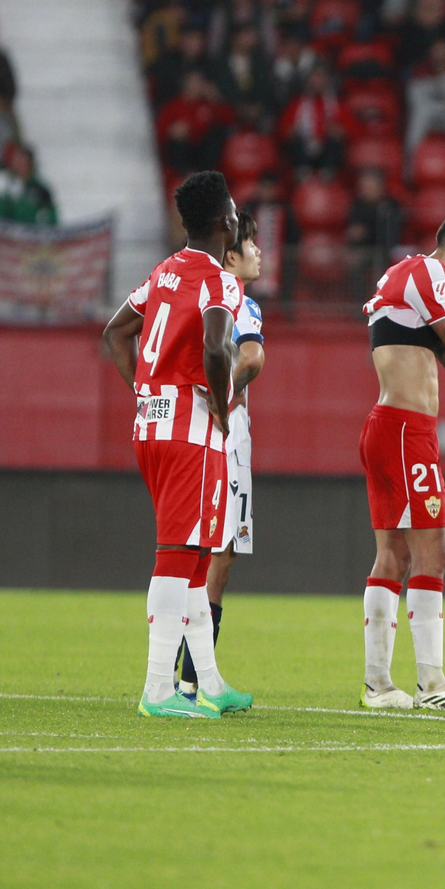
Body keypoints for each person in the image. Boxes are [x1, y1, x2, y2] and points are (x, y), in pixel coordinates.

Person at [101, 170, 254, 719]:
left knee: (193, 557)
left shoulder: (165, 271)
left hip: (153, 426)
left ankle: (208, 682)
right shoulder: (222, 280)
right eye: (235, 210)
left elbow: (116, 333)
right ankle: (157, 690)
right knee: (176, 557)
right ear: (224, 222)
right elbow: (216, 346)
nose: (238, 217)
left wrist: (146, 394)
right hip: (190, 430)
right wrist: (221, 400)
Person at [358, 211, 445, 712]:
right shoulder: (429, 274)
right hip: (405, 429)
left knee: (393, 555)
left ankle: (378, 685)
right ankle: (433, 685)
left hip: (390, 425)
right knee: (432, 554)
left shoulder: (409, 277)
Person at [177, 212, 265, 696]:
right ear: (231, 255)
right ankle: (195, 680)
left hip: (183, 428)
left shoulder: (191, 294)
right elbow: (251, 357)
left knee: (192, 547)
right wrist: (225, 399)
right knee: (220, 555)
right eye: (253, 246)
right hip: (225, 431)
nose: (260, 254)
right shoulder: (238, 300)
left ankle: (181, 671)